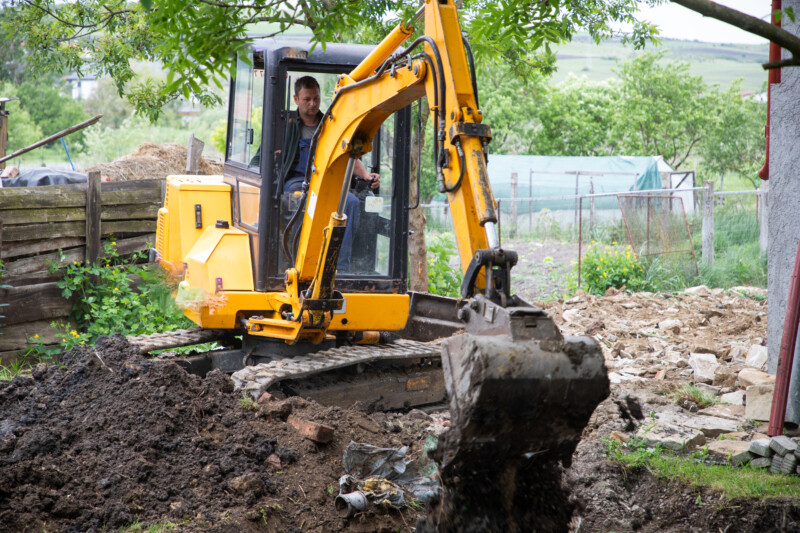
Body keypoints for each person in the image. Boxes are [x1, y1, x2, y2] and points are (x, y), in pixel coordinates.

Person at [281, 76, 379, 271]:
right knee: (304, 200)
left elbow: (348, 153)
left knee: (350, 202)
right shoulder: (286, 125)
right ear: (296, 99)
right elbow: (265, 156)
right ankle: (301, 262)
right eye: (307, 99)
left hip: (326, 180)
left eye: (316, 99)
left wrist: (367, 176)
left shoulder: (330, 124)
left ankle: (339, 266)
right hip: (297, 182)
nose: (312, 103)